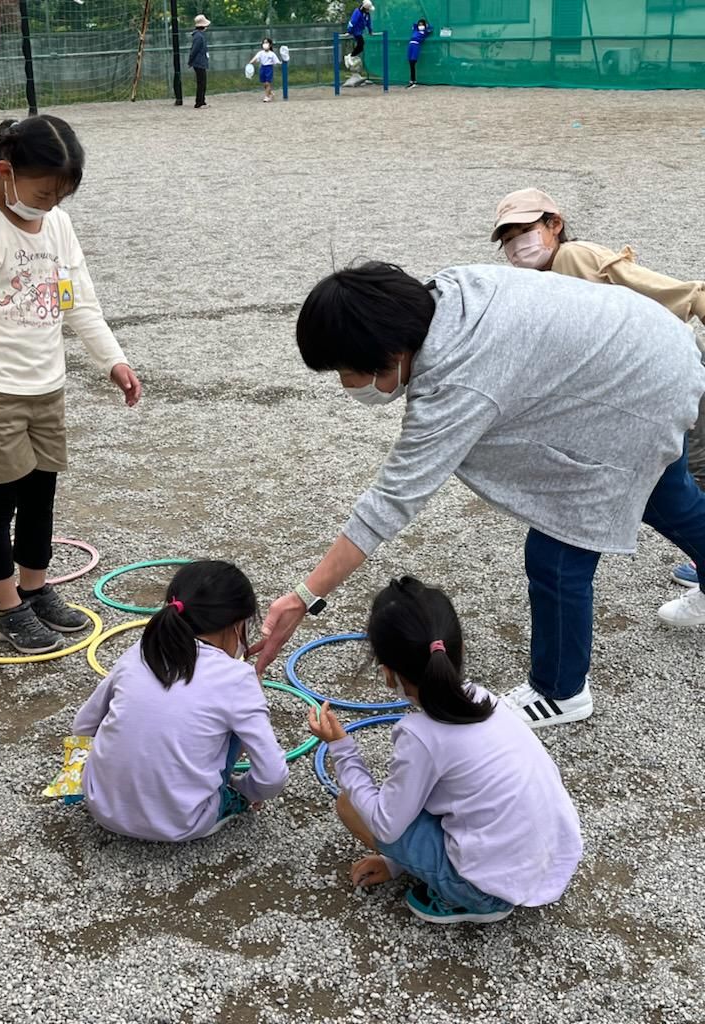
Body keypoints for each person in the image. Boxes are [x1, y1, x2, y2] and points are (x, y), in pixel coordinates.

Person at [253, 261, 705, 730]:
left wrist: (303, 596)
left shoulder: (458, 378)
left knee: (558, 548)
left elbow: (390, 500)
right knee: (666, 493)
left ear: (391, 353)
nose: (346, 384)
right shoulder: (448, 292)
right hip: (655, 341)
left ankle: (561, 691)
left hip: (644, 384)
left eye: (346, 371)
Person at [0, 115, 141, 655]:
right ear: (5, 172)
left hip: (46, 389)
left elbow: (80, 302)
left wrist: (113, 360)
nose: (50, 205)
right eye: (43, 193)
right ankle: (5, 609)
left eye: (60, 196)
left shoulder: (57, 226)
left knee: (40, 497)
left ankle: (34, 589)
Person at [308, 576, 582, 924]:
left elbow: (385, 824)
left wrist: (341, 747)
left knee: (351, 805)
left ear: (388, 674)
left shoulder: (421, 736)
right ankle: (447, 874)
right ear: (459, 650)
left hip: (491, 887)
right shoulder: (485, 699)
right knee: (429, 796)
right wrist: (395, 863)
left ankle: (471, 899)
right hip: (550, 862)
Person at [492, 187, 705, 589]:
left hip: (672, 376)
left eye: (525, 231)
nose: (517, 245)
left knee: (691, 469)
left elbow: (674, 290)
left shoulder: (574, 256)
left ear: (555, 225)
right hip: (642, 388)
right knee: (672, 486)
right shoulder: (535, 283)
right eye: (508, 239)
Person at [72, 561, 289, 842]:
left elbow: (83, 725)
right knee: (237, 719)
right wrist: (245, 791)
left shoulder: (141, 650)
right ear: (238, 625)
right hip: (185, 822)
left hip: (100, 807)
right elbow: (273, 777)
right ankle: (223, 798)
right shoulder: (237, 678)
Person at [187, 14, 211, 109]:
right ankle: (199, 102)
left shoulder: (199, 35)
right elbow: (194, 50)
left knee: (202, 82)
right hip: (199, 62)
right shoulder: (199, 36)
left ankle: (202, 101)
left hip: (200, 62)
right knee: (201, 83)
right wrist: (190, 61)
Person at [345, 0, 374, 71]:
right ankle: (350, 56)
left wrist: (370, 31)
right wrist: (349, 31)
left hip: (360, 31)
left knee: (361, 47)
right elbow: (352, 22)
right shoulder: (357, 12)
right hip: (355, 31)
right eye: (368, 9)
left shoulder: (367, 14)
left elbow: (368, 23)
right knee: (361, 44)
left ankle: (351, 56)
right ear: (364, 8)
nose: (369, 11)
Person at [250, 38, 281, 102]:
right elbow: (255, 58)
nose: (265, 44)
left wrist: (282, 62)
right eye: (264, 43)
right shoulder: (260, 53)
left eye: (266, 43)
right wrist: (250, 63)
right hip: (262, 68)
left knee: (267, 83)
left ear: (270, 45)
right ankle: (270, 93)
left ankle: (267, 97)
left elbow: (277, 61)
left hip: (269, 68)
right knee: (264, 84)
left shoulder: (272, 54)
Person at [406, 18, 432, 88]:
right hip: (410, 45)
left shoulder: (425, 32)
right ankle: (412, 81)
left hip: (416, 45)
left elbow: (431, 28)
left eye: (422, 24)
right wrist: (419, 22)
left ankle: (413, 81)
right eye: (419, 24)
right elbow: (414, 24)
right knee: (410, 62)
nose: (420, 26)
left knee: (413, 62)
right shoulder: (415, 30)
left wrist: (426, 24)